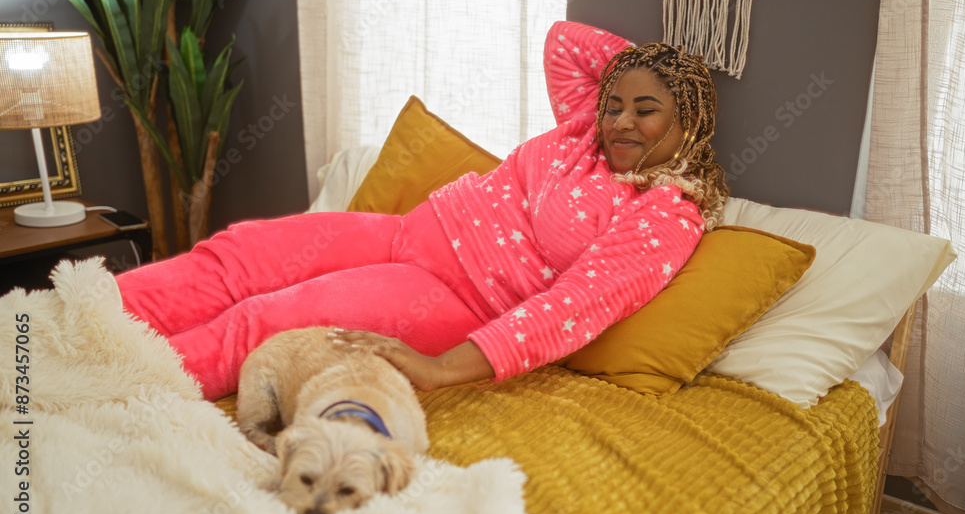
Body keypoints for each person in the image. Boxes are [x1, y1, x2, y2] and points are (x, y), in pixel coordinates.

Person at [116, 21, 729, 401]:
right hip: (408, 230)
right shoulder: (584, 129)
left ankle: (116, 387)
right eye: (614, 103)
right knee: (239, 252)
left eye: (646, 110)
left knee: (268, 320)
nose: (621, 121)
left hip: (455, 295)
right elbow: (564, 43)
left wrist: (441, 370)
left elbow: (572, 310)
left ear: (690, 122)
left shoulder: (667, 213)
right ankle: (88, 314)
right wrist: (649, 71)